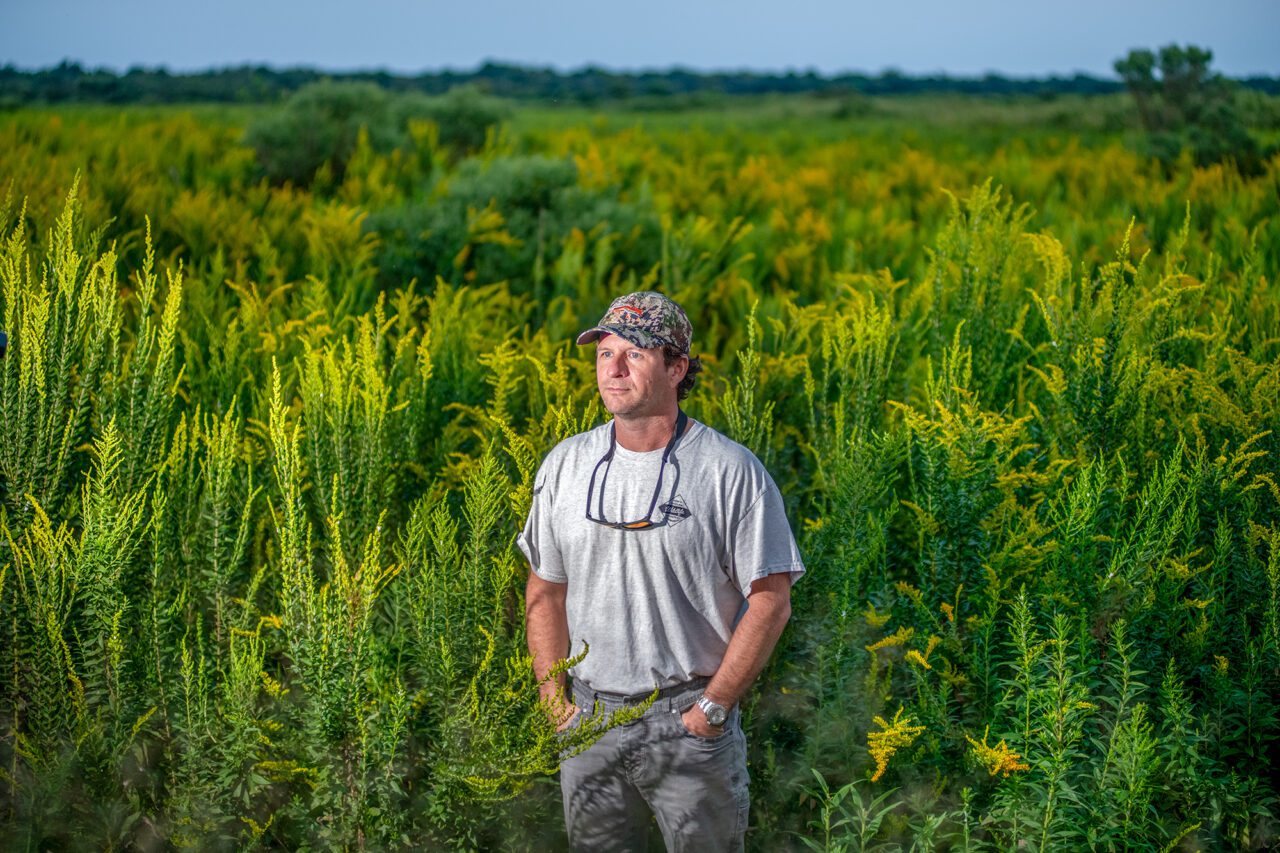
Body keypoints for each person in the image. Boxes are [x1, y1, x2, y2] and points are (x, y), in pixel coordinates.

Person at [519, 291, 804, 852]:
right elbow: (545, 591)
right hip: (589, 724)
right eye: (605, 354)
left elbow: (771, 599)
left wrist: (712, 709)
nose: (614, 369)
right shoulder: (565, 465)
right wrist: (555, 702)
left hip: (687, 724)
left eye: (636, 354)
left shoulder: (729, 472)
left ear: (677, 369)